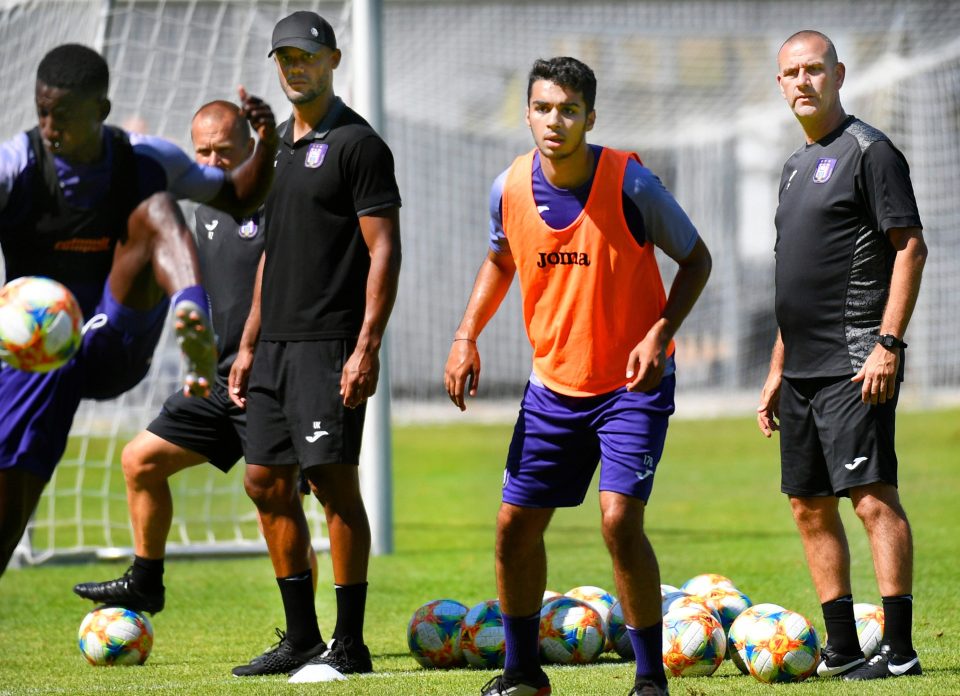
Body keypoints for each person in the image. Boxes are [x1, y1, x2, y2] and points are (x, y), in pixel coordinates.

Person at [444, 57, 712, 696]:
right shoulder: (507, 187)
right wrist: (466, 334)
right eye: (542, 108)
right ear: (528, 113)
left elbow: (697, 259)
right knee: (514, 526)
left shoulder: (630, 182)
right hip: (552, 389)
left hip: (631, 386)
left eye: (568, 110)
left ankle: (650, 680)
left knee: (619, 520)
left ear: (591, 117)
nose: (553, 121)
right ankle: (521, 673)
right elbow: (498, 260)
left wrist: (660, 334)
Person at [0, 44, 277, 577]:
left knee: (156, 206)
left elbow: (240, 195)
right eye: (42, 112)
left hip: (113, 338)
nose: (50, 126)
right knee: (11, 503)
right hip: (35, 356)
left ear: (100, 112)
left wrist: (264, 143)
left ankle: (190, 314)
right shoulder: (16, 168)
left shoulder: (143, 158)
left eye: (64, 114)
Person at [71, 101, 318, 613]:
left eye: (223, 151)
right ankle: (146, 580)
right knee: (140, 460)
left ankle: (306, 636)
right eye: (201, 150)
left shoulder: (283, 200)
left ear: (251, 146)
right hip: (218, 381)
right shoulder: (204, 209)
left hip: (272, 382)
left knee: (273, 503)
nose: (211, 160)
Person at [227, 11, 401, 678]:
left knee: (332, 486)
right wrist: (248, 342)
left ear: (330, 60)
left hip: (330, 346)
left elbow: (384, 250)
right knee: (264, 481)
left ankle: (349, 644)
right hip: (272, 348)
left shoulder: (358, 144)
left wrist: (367, 346)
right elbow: (272, 254)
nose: (295, 66)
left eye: (306, 55)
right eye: (285, 57)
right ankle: (300, 638)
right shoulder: (280, 154)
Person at [757, 30, 927, 681]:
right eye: (791, 73)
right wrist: (775, 371)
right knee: (808, 504)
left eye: (815, 69)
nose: (803, 81)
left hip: (856, 359)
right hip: (798, 369)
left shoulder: (870, 152)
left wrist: (888, 344)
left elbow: (910, 248)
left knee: (871, 498)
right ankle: (843, 649)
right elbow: (795, 282)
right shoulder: (795, 166)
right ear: (780, 84)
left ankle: (902, 649)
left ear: (839, 73)